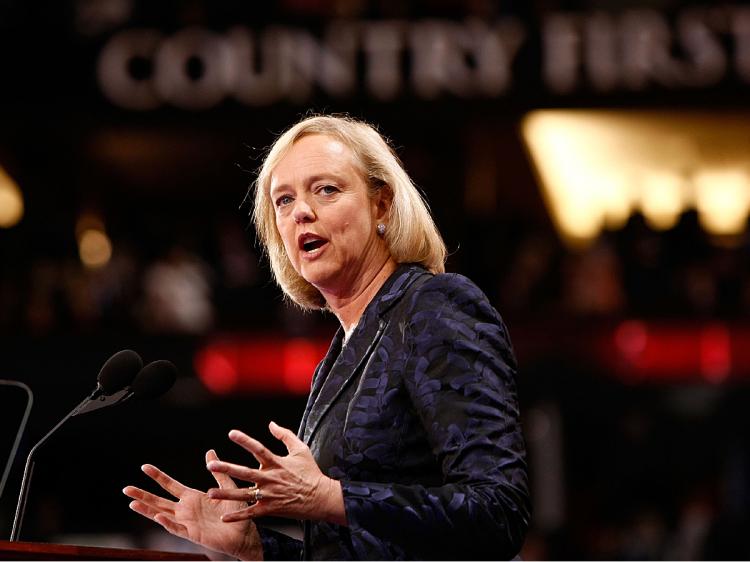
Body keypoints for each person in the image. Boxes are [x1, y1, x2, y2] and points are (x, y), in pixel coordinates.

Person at [123, 115, 530, 560]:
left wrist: (329, 498)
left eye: (327, 190)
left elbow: (497, 512)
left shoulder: (434, 307)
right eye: (283, 200)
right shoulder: (339, 355)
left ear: (383, 206)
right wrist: (256, 546)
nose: (301, 211)